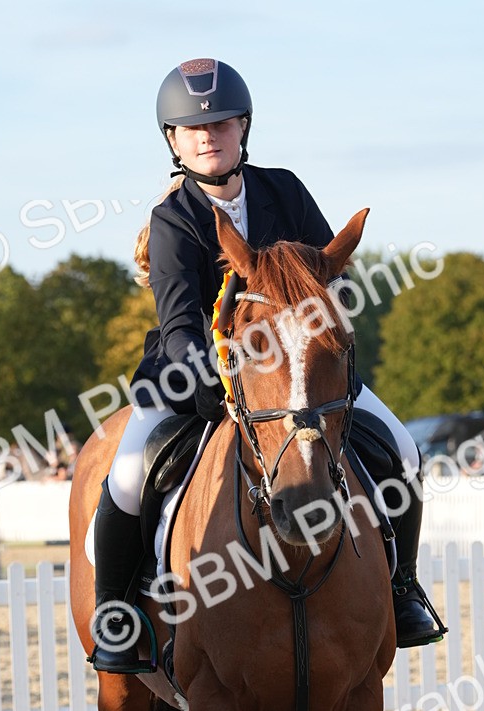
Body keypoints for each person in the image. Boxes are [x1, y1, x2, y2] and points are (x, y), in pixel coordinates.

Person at [91, 58, 444, 672]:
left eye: (221, 124)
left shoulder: (284, 188)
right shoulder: (173, 221)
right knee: (125, 478)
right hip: (195, 377)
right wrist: (218, 378)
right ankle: (117, 617)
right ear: (172, 140)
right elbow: (179, 326)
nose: (208, 136)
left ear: (243, 128)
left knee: (405, 452)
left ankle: (402, 589)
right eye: (191, 128)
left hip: (305, 374)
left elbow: (328, 280)